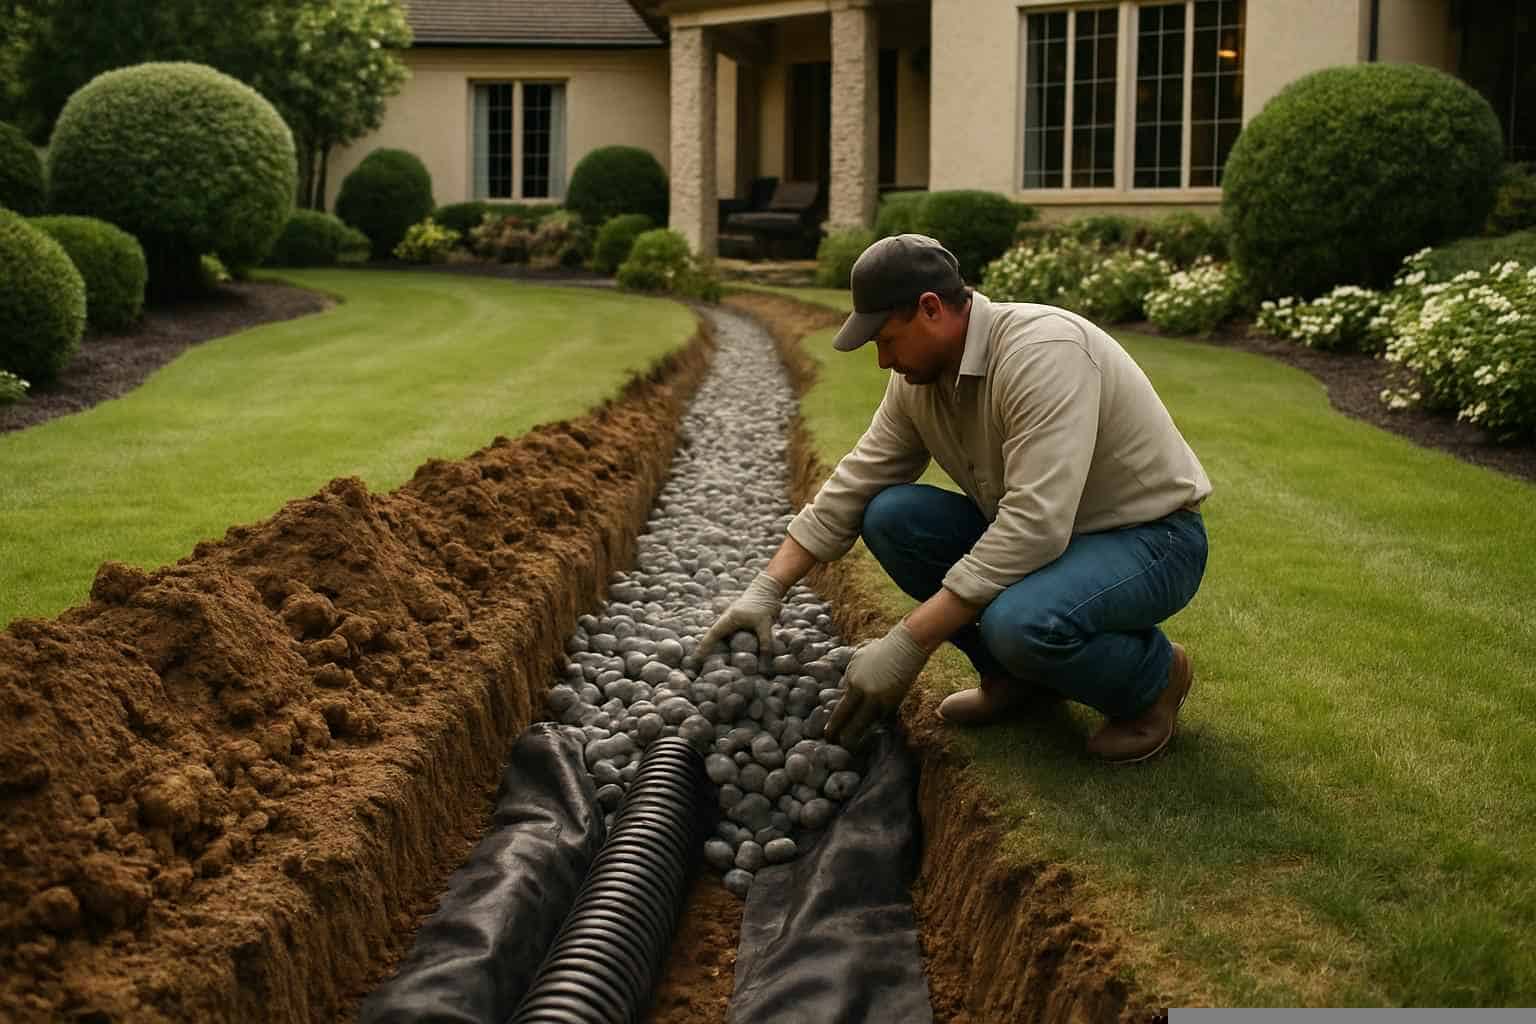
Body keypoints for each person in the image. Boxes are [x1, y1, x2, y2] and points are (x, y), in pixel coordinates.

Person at [699, 234, 1212, 763]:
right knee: (892, 515)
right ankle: (1016, 682)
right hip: (1054, 541)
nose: (882, 360)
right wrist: (766, 589)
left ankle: (1152, 683)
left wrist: (907, 643)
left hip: (1150, 539)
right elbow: (859, 479)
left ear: (930, 309)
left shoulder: (1042, 353)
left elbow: (1034, 526)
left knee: (1018, 623)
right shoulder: (919, 380)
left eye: (886, 339)